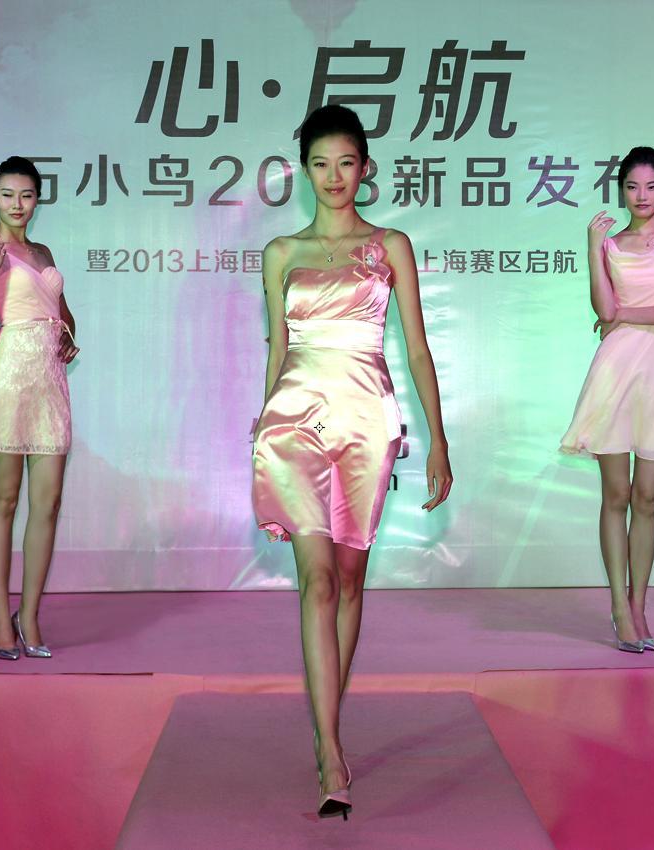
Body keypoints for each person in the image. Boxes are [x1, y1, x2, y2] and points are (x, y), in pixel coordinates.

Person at [252, 105, 453, 818]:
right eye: (320, 164)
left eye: (345, 162)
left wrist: (438, 438)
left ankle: (326, 723)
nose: (333, 176)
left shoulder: (390, 245)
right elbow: (278, 350)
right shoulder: (282, 252)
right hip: (293, 423)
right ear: (303, 172)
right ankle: (331, 750)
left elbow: (417, 348)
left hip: (367, 419)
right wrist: (262, 418)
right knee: (315, 581)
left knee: (348, 578)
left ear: (365, 168)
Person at [561, 146, 654, 653]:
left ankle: (640, 604)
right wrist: (592, 246)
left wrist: (625, 316)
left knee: (647, 496)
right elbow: (604, 307)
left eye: (651, 186)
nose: (642, 196)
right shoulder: (611, 244)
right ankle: (619, 608)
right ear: (621, 190)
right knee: (616, 494)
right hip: (615, 369)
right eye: (632, 186)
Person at [0, 156, 79, 660]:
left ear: (37, 199)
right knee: (4, 501)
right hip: (7, 382)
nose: (18, 204)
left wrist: (67, 335)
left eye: (27, 195)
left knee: (47, 503)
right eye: (7, 195)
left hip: (49, 385)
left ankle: (28, 615)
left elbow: (63, 315)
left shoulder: (43, 251)